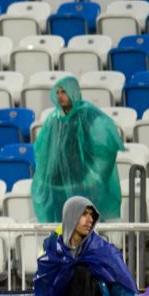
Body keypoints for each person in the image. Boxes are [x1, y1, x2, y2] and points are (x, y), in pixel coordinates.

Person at [31, 76, 123, 225]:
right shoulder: (53, 119)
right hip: (58, 183)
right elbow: (42, 148)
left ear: (73, 92)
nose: (60, 96)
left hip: (81, 181)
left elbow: (102, 141)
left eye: (64, 92)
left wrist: (92, 174)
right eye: (58, 92)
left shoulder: (86, 114)